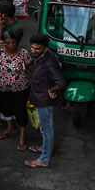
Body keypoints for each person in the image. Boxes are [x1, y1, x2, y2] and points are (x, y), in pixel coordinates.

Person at [24, 34, 64, 168]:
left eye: (37, 49)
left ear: (46, 47)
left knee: (47, 130)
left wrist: (52, 90)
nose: (33, 51)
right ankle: (44, 148)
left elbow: (61, 82)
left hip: (44, 101)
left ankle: (44, 159)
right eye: (32, 48)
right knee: (44, 128)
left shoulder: (49, 62)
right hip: (39, 98)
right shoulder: (43, 57)